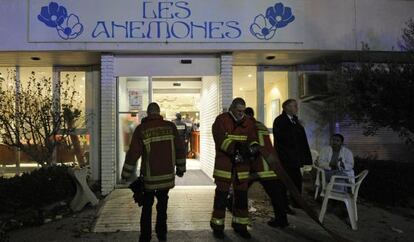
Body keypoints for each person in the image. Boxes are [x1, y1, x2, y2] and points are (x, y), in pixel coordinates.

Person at [121, 102, 186, 242]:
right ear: (159, 112)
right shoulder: (170, 127)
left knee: (147, 207)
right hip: (167, 177)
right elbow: (180, 148)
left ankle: (145, 237)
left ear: (148, 113)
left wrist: (125, 174)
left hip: (149, 178)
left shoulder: (142, 129)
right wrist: (181, 168)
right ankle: (162, 234)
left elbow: (133, 153)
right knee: (162, 206)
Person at [210, 98, 260, 239]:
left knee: (242, 197)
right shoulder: (221, 120)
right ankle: (218, 226)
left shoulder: (249, 122)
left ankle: (240, 225)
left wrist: (252, 148)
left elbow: (253, 138)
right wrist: (236, 148)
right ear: (232, 108)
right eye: (238, 110)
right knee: (221, 196)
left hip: (242, 165)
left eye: (243, 111)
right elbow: (220, 140)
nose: (241, 113)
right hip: (224, 164)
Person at [244, 107, 289, 228]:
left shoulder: (249, 126)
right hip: (270, 164)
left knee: (241, 188)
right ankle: (282, 220)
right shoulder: (260, 125)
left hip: (258, 165)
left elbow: (252, 147)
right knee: (275, 195)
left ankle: (236, 211)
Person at [273, 99, 312, 213]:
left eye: (296, 106)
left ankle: (296, 202)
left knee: (296, 181)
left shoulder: (295, 121)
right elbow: (283, 138)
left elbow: (300, 140)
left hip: (294, 159)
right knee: (284, 183)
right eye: (294, 106)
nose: (296, 108)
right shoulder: (280, 121)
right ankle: (284, 205)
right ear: (286, 108)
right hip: (285, 159)